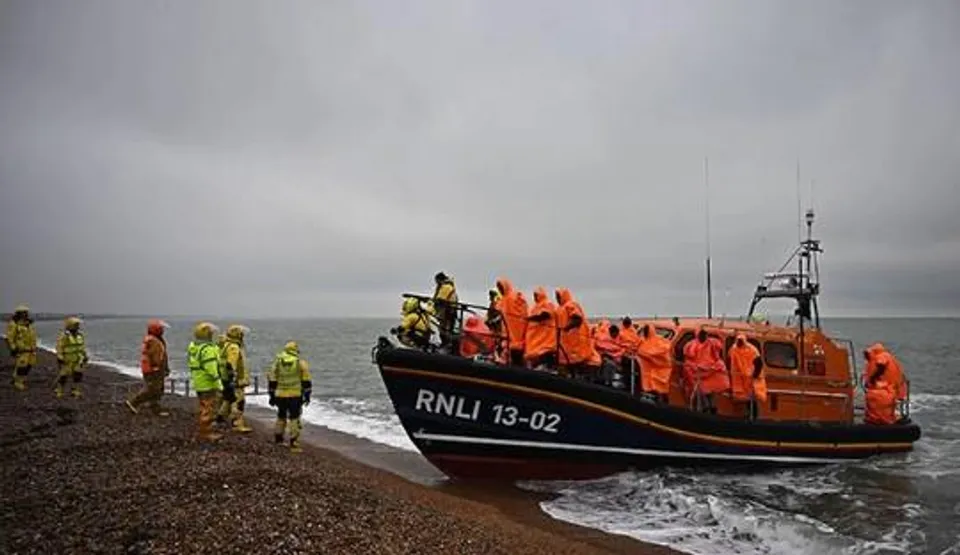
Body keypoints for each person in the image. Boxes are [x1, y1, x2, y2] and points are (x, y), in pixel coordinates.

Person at [267, 341, 312, 453]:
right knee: (294, 418)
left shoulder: (277, 362)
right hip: (295, 395)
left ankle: (278, 439)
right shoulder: (300, 363)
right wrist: (307, 395)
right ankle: (294, 442)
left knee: (281, 416)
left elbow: (272, 379)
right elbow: (306, 380)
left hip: (280, 394)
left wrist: (271, 395)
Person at [186, 321, 224, 444]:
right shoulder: (207, 349)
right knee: (209, 407)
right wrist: (218, 381)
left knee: (204, 405)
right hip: (208, 383)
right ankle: (205, 433)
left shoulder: (194, 347)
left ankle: (204, 431)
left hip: (199, 382)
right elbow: (211, 368)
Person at [127, 319, 171, 416]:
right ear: (156, 330)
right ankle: (134, 402)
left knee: (158, 390)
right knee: (152, 389)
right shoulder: (153, 341)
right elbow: (155, 356)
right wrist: (157, 367)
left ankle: (155, 408)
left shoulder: (155, 339)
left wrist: (165, 368)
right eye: (161, 329)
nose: (163, 330)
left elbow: (161, 356)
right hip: (153, 370)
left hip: (154, 369)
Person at [681, 326, 729, 414]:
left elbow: (718, 352)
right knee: (701, 390)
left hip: (711, 370)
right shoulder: (691, 345)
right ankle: (706, 407)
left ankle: (710, 408)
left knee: (710, 391)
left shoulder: (713, 343)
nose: (702, 336)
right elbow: (688, 359)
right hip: (697, 371)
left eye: (704, 334)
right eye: (701, 334)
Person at [555, 288, 601, 378]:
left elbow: (577, 318)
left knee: (574, 364)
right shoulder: (559, 309)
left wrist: (566, 328)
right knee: (564, 366)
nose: (557, 298)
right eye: (556, 296)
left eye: (558, 296)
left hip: (574, 343)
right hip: (564, 345)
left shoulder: (571, 305)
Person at [220, 324, 253, 433]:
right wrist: (232, 379)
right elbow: (231, 364)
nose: (242, 336)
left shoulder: (226, 345)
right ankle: (237, 423)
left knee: (228, 399)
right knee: (239, 401)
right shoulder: (234, 347)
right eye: (241, 334)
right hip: (236, 380)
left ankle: (219, 419)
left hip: (226, 379)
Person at [728, 333, 767, 420]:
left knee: (753, 397)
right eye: (738, 341)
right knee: (744, 397)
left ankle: (754, 417)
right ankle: (748, 414)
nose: (739, 343)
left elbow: (759, 363)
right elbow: (729, 358)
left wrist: (754, 375)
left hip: (751, 377)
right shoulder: (733, 349)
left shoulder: (752, 350)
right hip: (740, 377)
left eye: (741, 341)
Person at [496, 278, 529, 366]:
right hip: (507, 330)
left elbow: (523, 308)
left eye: (501, 287)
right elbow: (498, 310)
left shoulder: (515, 296)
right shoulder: (503, 300)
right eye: (499, 287)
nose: (500, 289)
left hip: (516, 328)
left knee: (516, 351)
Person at [54, 316, 89, 399]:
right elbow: (59, 347)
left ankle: (75, 390)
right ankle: (59, 390)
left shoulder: (80, 335)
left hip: (78, 359)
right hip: (67, 360)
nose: (78, 327)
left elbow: (82, 347)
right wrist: (60, 357)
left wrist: (85, 355)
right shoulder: (64, 336)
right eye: (76, 325)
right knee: (64, 376)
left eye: (78, 325)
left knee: (78, 375)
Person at [636, 324, 672, 403]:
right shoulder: (643, 341)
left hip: (661, 371)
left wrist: (649, 356)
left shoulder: (660, 342)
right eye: (644, 331)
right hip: (649, 372)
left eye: (646, 331)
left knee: (660, 391)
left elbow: (662, 354)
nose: (645, 333)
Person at [524, 286, 558, 369]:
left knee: (545, 353)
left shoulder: (547, 304)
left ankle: (547, 367)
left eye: (536, 295)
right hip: (535, 338)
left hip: (545, 337)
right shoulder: (534, 307)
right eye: (534, 295)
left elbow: (545, 315)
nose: (535, 297)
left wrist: (531, 319)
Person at [5, 305, 37, 391]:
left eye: (26, 313)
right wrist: (13, 348)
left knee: (30, 364)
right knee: (22, 366)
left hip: (31, 349)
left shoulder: (28, 324)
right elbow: (10, 337)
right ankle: (18, 382)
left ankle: (16, 377)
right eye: (23, 313)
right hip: (21, 349)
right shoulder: (14, 324)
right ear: (18, 314)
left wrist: (34, 346)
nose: (25, 315)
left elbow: (32, 336)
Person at [431, 272, 458, 350]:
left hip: (448, 311)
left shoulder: (446, 287)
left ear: (440, 280)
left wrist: (432, 304)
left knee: (445, 329)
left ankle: (447, 344)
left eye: (436, 281)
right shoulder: (446, 286)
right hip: (448, 311)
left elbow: (440, 299)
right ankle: (446, 344)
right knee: (445, 328)